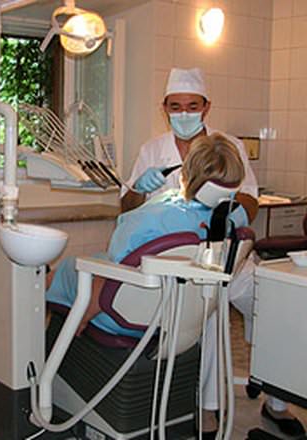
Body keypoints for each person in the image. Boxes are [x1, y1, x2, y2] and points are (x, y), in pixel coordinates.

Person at [120, 67, 305, 438]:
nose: (184, 113)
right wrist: (139, 187)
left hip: (227, 254)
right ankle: (207, 410)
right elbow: (126, 207)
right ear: (164, 108)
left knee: (274, 306)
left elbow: (250, 197)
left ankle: (276, 402)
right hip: (179, 260)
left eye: (192, 106)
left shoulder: (227, 145)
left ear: (206, 107)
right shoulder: (152, 150)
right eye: (175, 106)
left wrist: (232, 214)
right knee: (208, 313)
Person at [46, 134, 249, 437]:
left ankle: (42, 373)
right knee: (95, 272)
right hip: (182, 320)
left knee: (65, 269)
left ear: (186, 174)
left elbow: (117, 256)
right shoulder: (235, 219)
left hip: (128, 318)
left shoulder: (156, 216)